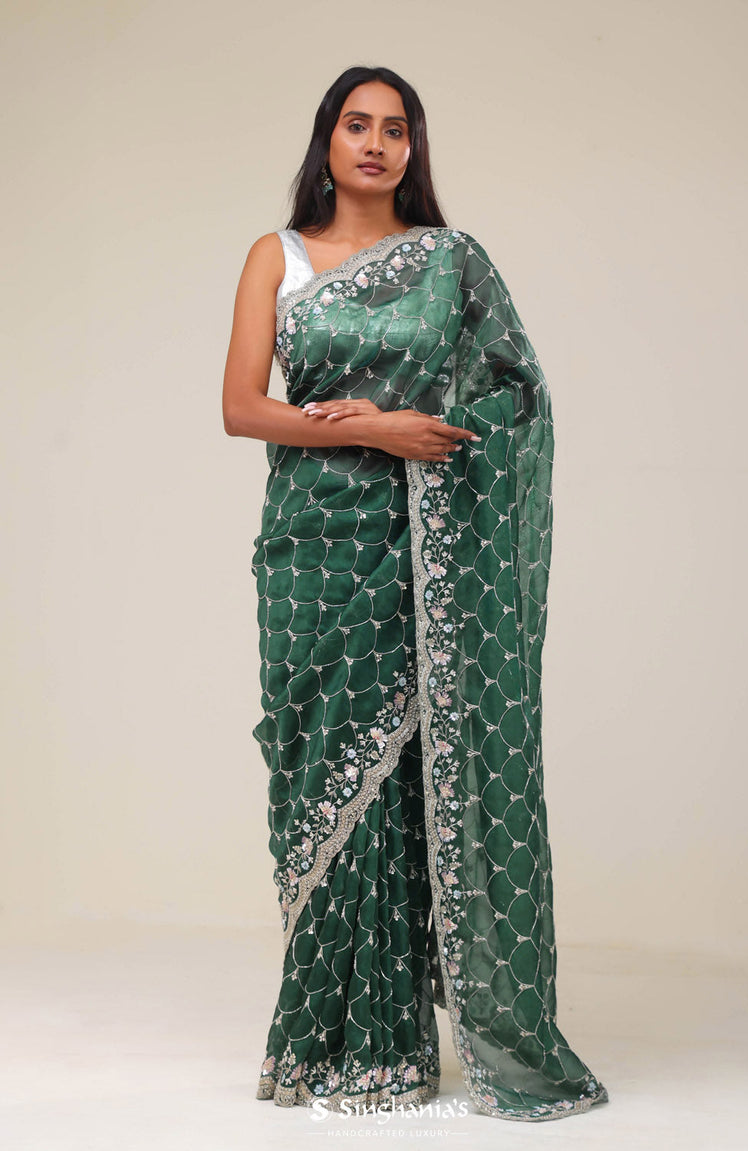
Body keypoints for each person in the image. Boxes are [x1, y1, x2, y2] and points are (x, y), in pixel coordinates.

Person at [222, 64, 609, 1123]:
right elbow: (241, 407)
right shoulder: (276, 255)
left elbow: (514, 397)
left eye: (395, 129)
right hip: (313, 545)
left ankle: (392, 1042)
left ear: (412, 148)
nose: (375, 144)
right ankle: (324, 1034)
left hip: (421, 542)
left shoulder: (450, 263)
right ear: (327, 140)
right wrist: (373, 428)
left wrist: (409, 436)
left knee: (405, 778)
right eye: (357, 124)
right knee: (317, 771)